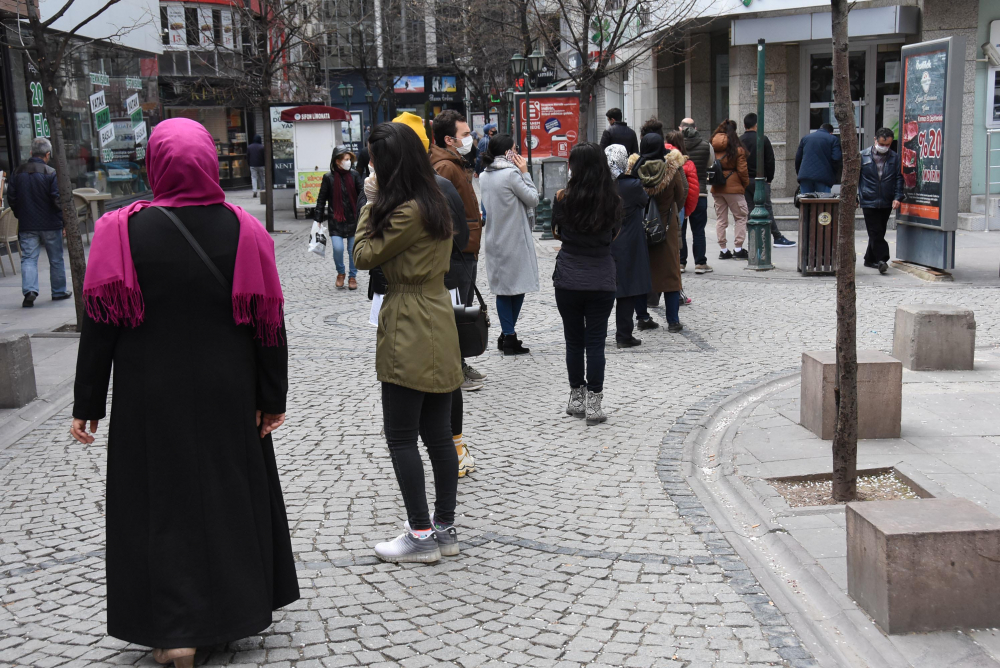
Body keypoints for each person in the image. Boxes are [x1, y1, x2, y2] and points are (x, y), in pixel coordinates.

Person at [69, 118, 298, 667]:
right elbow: (268, 322)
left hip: (150, 395)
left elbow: (100, 325)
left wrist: (87, 404)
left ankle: (175, 633)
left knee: (158, 503)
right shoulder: (243, 229)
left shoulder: (119, 231)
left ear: (156, 164)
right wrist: (273, 397)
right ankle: (224, 616)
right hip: (228, 392)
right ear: (208, 163)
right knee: (224, 500)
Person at [353, 122, 463, 563]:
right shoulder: (434, 199)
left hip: (408, 318)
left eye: (373, 160)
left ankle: (420, 535)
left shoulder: (402, 210)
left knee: (401, 436)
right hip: (438, 313)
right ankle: (444, 528)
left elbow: (363, 255)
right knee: (438, 434)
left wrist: (371, 201)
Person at [551, 142, 621, 426]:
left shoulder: (562, 197)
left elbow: (556, 232)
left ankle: (576, 397)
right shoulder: (613, 201)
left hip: (568, 276)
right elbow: (614, 234)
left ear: (573, 167)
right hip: (601, 276)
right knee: (596, 343)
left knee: (573, 341)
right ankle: (595, 403)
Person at [429, 110, 487, 387]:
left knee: (461, 309)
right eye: (465, 135)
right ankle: (454, 370)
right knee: (456, 312)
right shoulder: (445, 166)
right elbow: (444, 214)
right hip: (458, 250)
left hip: (466, 246)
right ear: (449, 139)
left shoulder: (454, 161)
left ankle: (460, 364)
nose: (470, 139)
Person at [479, 133, 540, 355]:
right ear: (508, 152)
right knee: (518, 287)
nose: (518, 152)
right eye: (515, 148)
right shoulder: (512, 174)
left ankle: (507, 333)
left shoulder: (485, 175)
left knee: (505, 289)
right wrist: (525, 172)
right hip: (515, 237)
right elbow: (533, 198)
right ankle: (509, 336)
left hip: (495, 238)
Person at [8, 137, 71, 307]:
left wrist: (19, 214)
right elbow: (57, 200)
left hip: (27, 223)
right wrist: (64, 222)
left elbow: (11, 198)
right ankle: (58, 291)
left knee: (28, 258)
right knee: (56, 258)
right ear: (47, 154)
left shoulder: (16, 172)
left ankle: (30, 290)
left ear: (31, 153)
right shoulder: (50, 173)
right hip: (51, 223)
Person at [636, 133, 687, 333]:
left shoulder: (635, 169)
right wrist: (669, 213)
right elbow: (680, 196)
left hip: (640, 228)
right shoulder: (672, 170)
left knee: (642, 274)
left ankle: (642, 317)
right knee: (671, 274)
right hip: (666, 228)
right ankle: (673, 321)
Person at [605, 144, 650, 348]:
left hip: (606, 242)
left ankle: (595, 332)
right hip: (629, 241)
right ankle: (624, 335)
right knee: (627, 290)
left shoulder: (600, 184)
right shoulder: (631, 185)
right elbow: (644, 201)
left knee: (604, 290)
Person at [740, 113, 795, 249]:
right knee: (766, 209)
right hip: (760, 180)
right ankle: (777, 237)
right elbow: (770, 161)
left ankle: (755, 237)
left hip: (744, 181)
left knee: (750, 209)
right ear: (757, 125)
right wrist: (769, 179)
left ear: (744, 125)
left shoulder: (739, 141)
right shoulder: (762, 139)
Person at [314, 146, 363, 290]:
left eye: (349, 159)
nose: (349, 162)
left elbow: (362, 195)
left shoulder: (354, 175)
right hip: (336, 219)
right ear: (337, 161)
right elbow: (321, 199)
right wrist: (317, 219)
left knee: (353, 249)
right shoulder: (328, 178)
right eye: (346, 159)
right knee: (338, 248)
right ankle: (340, 273)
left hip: (353, 219)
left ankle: (352, 276)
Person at [859, 127, 903, 274]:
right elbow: (855, 178)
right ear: (875, 140)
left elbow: (898, 178)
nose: (884, 147)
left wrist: (897, 197)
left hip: (886, 199)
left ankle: (869, 258)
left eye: (888, 145)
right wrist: (855, 197)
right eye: (882, 144)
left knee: (879, 231)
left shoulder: (895, 157)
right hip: (868, 198)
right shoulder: (862, 156)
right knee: (875, 230)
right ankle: (882, 259)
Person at [711, 120, 750, 260]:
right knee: (740, 217)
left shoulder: (712, 148)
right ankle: (738, 248)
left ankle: (723, 250)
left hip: (717, 186)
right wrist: (744, 185)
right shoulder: (737, 149)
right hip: (734, 187)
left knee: (721, 220)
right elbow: (743, 171)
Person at [679, 118, 713, 274]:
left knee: (681, 230)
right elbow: (710, 164)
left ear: (681, 128)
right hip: (700, 192)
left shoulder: (677, 148)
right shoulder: (706, 145)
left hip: (682, 193)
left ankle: (681, 263)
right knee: (699, 229)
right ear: (696, 128)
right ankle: (700, 263)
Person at [665, 131, 699, 272]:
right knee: (680, 234)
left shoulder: (660, 156)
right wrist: (686, 209)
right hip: (678, 205)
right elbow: (689, 189)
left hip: (662, 205)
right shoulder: (686, 162)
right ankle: (679, 262)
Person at [795, 123, 843, 195]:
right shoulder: (833, 139)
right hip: (824, 178)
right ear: (831, 133)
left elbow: (798, 158)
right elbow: (836, 159)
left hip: (805, 177)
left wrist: (800, 173)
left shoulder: (805, 138)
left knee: (805, 202)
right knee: (823, 203)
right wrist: (833, 174)